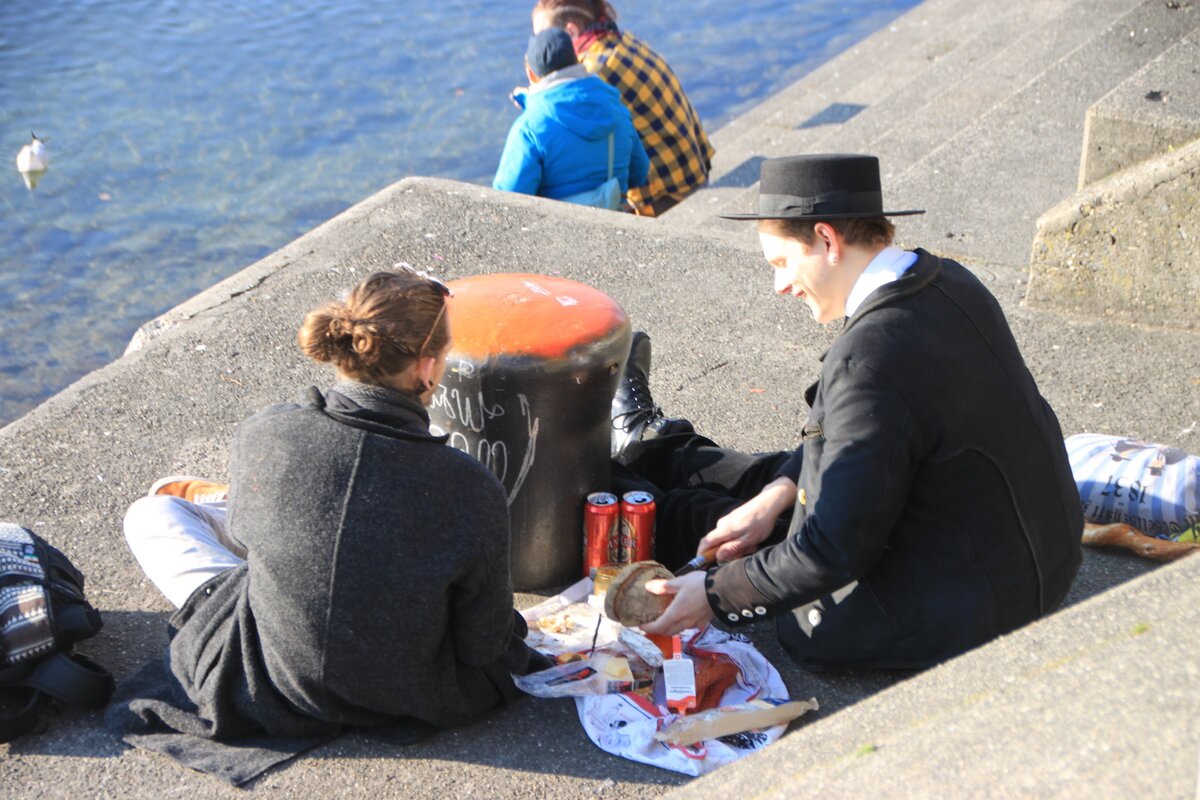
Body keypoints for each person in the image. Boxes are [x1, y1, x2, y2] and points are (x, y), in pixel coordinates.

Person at [610, 154, 1083, 670]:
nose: (781, 286)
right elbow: (866, 436)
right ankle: (651, 444)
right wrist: (777, 493)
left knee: (719, 522)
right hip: (1033, 562)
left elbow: (827, 551)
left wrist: (714, 593)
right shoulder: (949, 283)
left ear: (828, 241)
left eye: (782, 263)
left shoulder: (870, 359)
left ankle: (621, 501)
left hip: (957, 609)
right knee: (780, 481)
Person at [120, 268, 543, 741]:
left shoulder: (267, 433)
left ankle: (234, 496)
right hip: (415, 689)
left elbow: (247, 542)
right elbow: (482, 644)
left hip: (271, 677)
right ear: (426, 368)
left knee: (152, 512)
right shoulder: (470, 487)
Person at [531, 0, 714, 216]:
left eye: (542, 36)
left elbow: (553, 121)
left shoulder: (593, 72)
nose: (538, 46)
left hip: (669, 193)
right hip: (693, 170)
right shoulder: (620, 40)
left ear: (571, 31)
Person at [493, 27, 648, 209]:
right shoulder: (617, 110)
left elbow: (507, 198)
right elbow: (639, 172)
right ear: (577, 60)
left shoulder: (529, 128)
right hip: (614, 220)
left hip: (558, 230)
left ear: (530, 73)